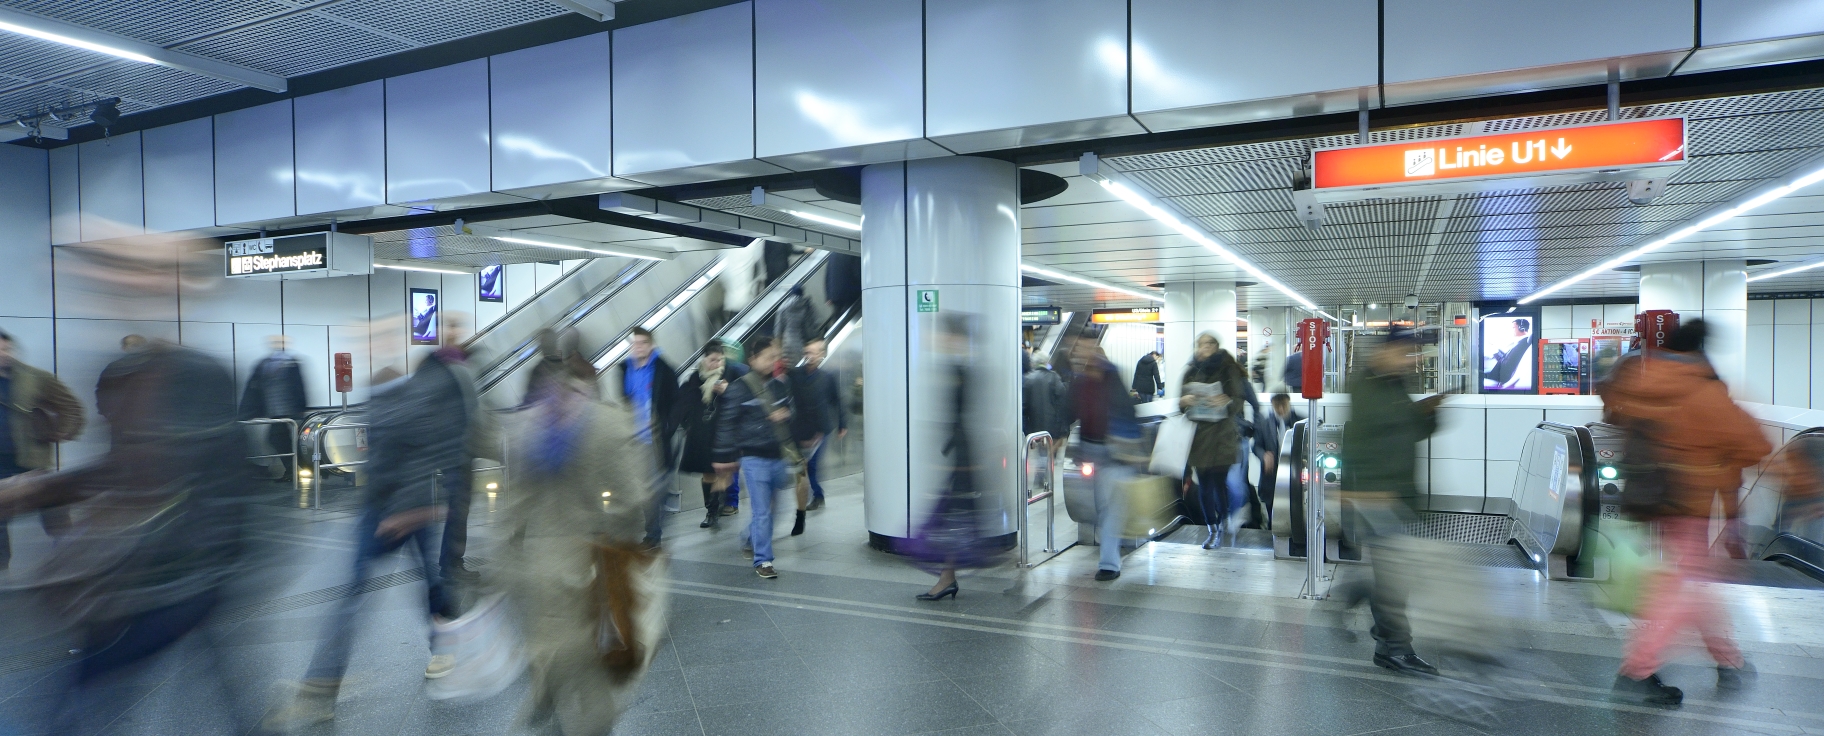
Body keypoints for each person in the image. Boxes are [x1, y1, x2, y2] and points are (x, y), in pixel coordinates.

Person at [0, 339, 252, 733]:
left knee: (87, 689)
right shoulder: (147, 392)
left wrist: (42, 492)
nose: (105, 416)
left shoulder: (188, 385)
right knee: (215, 678)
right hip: (181, 573)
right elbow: (128, 470)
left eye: (109, 407)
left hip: (180, 572)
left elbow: (151, 474)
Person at [264, 337, 476, 727]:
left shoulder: (408, 401)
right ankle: (325, 684)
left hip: (399, 512)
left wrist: (405, 513)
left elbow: (415, 461)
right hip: (386, 509)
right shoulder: (388, 397)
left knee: (379, 589)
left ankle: (325, 686)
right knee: (374, 589)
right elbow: (388, 461)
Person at [496, 334, 668, 735]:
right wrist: (619, 547)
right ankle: (563, 709)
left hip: (537, 566)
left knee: (551, 643)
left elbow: (513, 508)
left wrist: (505, 562)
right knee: (590, 674)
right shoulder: (607, 421)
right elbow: (632, 499)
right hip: (586, 563)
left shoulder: (527, 423)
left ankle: (544, 692)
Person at [1599, 320, 1768, 705]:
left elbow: (1611, 404)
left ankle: (1729, 660)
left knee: (1695, 583)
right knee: (1683, 588)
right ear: (1701, 349)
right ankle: (1637, 672)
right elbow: (1754, 445)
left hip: (1651, 498)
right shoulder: (1704, 391)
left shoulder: (1643, 379)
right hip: (1690, 504)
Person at [1336, 327, 1443, 677]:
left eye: (1414, 355)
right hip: (1375, 497)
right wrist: (1358, 496)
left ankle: (1361, 596)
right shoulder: (1366, 389)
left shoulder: (1394, 385)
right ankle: (1394, 648)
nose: (1411, 360)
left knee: (1395, 576)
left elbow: (1410, 432)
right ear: (1383, 353)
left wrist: (1430, 412)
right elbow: (1361, 443)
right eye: (1405, 353)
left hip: (1398, 495)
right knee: (1395, 578)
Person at [905, 315, 1002, 600]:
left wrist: (961, 459)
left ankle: (950, 576)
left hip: (964, 458)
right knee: (951, 518)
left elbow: (964, 418)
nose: (942, 340)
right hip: (960, 456)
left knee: (951, 518)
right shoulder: (956, 367)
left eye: (948, 336)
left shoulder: (966, 370)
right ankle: (948, 578)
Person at [0, 330, 83, 570]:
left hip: (33, 461)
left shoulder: (35, 377)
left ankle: (73, 565)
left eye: (6, 349)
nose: (3, 355)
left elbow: (70, 406)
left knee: (55, 517)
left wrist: (64, 432)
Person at [713, 336, 795, 579]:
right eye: (768, 357)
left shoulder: (780, 386)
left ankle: (750, 537)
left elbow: (791, 413)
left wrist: (786, 415)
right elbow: (726, 424)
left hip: (778, 456)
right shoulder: (739, 388)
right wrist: (722, 459)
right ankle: (764, 560)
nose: (772, 362)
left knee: (776, 509)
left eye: (775, 357)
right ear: (753, 359)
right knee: (762, 511)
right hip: (753, 458)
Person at [1070, 340, 1139, 581]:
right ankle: (1120, 539)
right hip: (1090, 452)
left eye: (1088, 351)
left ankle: (1109, 564)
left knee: (1110, 507)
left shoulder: (1111, 377)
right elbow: (1069, 410)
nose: (1084, 356)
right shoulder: (1080, 383)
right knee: (1101, 507)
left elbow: (1127, 412)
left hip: (1114, 454)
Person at [1179, 333, 1250, 548]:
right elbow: (1180, 403)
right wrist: (1184, 400)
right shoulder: (1191, 371)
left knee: (1218, 484)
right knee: (1204, 486)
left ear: (1216, 346)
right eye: (1201, 344)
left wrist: (1226, 402)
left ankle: (1223, 522)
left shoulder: (1228, 369)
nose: (1204, 348)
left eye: (1208, 344)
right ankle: (1212, 529)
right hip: (1200, 437)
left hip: (1222, 437)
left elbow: (1239, 400)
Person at [674, 341, 747, 529]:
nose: (717, 364)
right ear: (704, 360)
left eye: (720, 360)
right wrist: (687, 423)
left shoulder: (731, 375)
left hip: (725, 432)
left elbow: (746, 396)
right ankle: (711, 511)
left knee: (724, 473)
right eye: (712, 360)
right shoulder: (695, 378)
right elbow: (683, 403)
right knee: (708, 473)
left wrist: (728, 391)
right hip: (702, 434)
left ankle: (723, 503)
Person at [617, 327, 678, 549]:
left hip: (655, 439)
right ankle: (651, 526)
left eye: (642, 342)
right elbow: (624, 400)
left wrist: (667, 426)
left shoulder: (664, 370)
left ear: (651, 344)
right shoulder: (624, 369)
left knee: (653, 489)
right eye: (635, 343)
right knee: (640, 489)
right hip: (633, 439)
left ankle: (653, 533)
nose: (638, 346)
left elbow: (675, 402)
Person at [238, 334, 307, 480]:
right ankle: (294, 469)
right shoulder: (264, 364)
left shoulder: (290, 363)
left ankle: (292, 469)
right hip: (275, 411)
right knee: (280, 439)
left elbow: (299, 387)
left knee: (275, 438)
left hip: (287, 410)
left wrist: (301, 407)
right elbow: (253, 388)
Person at [791, 337, 845, 515]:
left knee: (812, 465)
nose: (809, 356)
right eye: (806, 353)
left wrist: (842, 424)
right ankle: (807, 495)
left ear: (822, 355)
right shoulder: (795, 374)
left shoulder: (827, 378)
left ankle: (817, 496)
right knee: (801, 468)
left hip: (820, 430)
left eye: (813, 353)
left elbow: (837, 401)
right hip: (800, 429)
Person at [775, 285, 817, 366]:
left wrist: (778, 345)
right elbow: (809, 328)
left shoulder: (783, 307)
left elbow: (778, 330)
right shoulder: (806, 305)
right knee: (801, 366)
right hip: (802, 341)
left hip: (787, 342)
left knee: (790, 367)